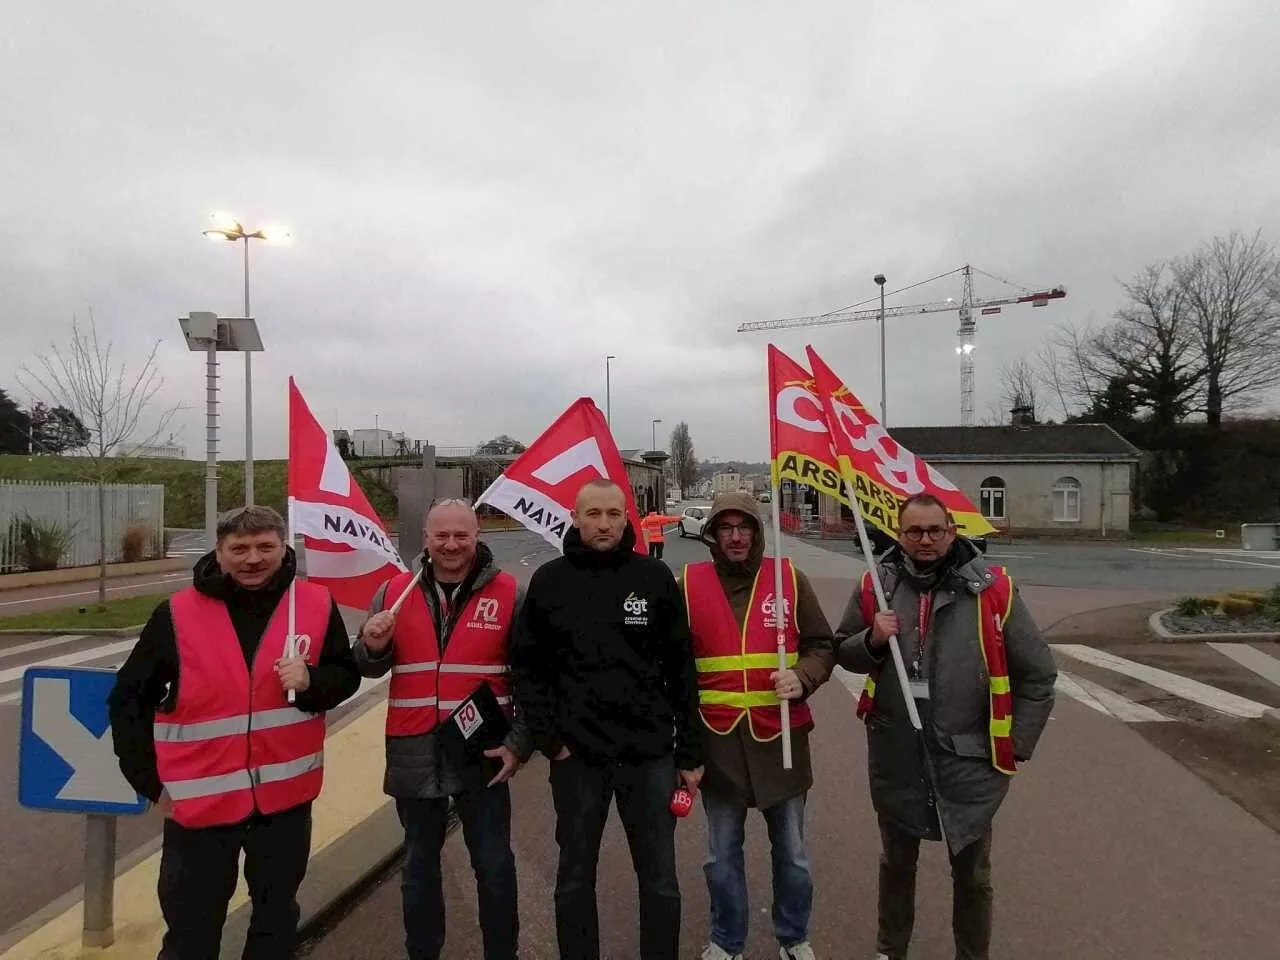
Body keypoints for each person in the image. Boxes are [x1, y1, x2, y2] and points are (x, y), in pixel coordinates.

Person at [108, 505, 361, 960]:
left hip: (285, 805)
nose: (252, 559)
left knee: (275, 924)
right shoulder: (177, 614)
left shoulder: (315, 605)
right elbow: (128, 699)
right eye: (239, 548)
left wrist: (311, 683)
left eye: (265, 546)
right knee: (191, 934)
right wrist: (147, 782)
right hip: (200, 809)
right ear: (219, 553)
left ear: (284, 549)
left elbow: (345, 678)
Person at [835, 493, 1057, 960]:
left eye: (935, 530)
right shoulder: (876, 584)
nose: (926, 540)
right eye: (914, 531)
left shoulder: (994, 590)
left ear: (953, 531)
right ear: (900, 535)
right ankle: (890, 950)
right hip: (897, 752)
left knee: (972, 873)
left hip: (969, 757)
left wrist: (1017, 746)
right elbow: (843, 652)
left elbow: (1037, 674)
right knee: (896, 863)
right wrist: (872, 637)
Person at [511, 479, 704, 960]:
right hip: (577, 758)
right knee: (574, 879)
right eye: (593, 513)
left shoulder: (655, 577)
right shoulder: (549, 581)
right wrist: (549, 739)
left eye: (613, 514)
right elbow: (528, 669)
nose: (603, 524)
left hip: (649, 755)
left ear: (627, 518)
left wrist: (691, 750)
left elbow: (681, 667)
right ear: (575, 517)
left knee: (660, 881)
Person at [354, 499, 531, 960]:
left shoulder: (511, 593)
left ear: (477, 537)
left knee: (494, 867)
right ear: (426, 539)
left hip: (484, 753)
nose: (451, 545)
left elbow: (535, 680)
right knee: (417, 869)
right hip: (414, 751)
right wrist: (371, 646)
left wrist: (517, 745)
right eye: (441, 536)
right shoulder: (393, 591)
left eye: (461, 535)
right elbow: (367, 666)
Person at [682, 492, 835, 960]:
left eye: (743, 526)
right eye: (725, 528)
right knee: (720, 857)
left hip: (781, 737)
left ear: (757, 531)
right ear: (712, 534)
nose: (734, 536)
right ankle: (727, 942)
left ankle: (793, 937)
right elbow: (671, 668)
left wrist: (804, 675)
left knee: (792, 855)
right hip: (718, 742)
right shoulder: (686, 583)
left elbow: (822, 645)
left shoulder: (789, 577)